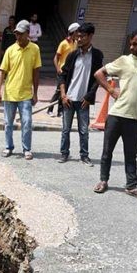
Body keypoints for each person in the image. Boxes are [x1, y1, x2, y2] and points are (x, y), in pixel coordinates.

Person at [91, 27, 137, 195]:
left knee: (131, 154)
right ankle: (103, 180)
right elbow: (99, 73)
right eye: (130, 44)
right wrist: (111, 91)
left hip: (135, 118)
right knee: (107, 151)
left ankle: (131, 186)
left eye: (136, 44)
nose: (131, 47)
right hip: (116, 115)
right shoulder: (124, 60)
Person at [56, 22, 102, 165]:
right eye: (78, 37)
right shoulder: (72, 55)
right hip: (68, 99)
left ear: (90, 36)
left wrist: (90, 96)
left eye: (82, 36)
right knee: (65, 129)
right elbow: (62, 75)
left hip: (84, 100)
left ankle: (84, 156)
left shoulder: (97, 55)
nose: (79, 39)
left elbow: (98, 78)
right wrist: (63, 95)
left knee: (84, 130)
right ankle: (64, 153)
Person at [0, 19, 41, 160]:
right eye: (16, 34)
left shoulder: (35, 49)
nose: (18, 37)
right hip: (10, 93)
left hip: (26, 94)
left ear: (28, 33)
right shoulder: (10, 50)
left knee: (27, 122)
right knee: (8, 123)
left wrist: (35, 93)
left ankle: (26, 149)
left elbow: (36, 72)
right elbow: (2, 72)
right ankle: (9, 146)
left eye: (21, 34)